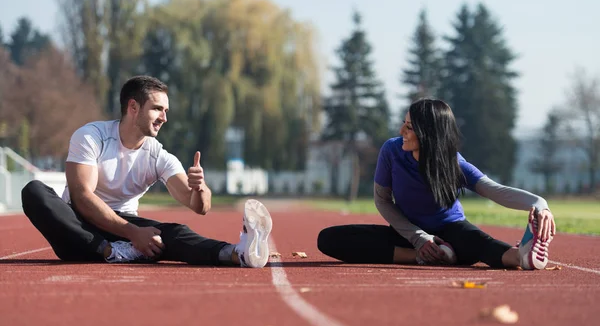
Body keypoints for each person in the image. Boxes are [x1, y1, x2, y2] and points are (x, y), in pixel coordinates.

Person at [21, 75, 272, 268]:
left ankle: (238, 253)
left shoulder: (157, 155)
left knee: (174, 233)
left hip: (127, 231)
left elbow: (199, 206)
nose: (164, 117)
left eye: (166, 111)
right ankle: (110, 251)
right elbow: (82, 198)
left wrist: (200, 187)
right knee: (34, 192)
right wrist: (133, 234)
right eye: (157, 109)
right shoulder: (91, 137)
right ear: (133, 107)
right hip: (79, 231)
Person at [317, 98, 555, 270]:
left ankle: (523, 254)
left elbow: (494, 190)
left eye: (409, 127)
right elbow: (382, 199)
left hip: (452, 231)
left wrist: (539, 204)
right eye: (404, 123)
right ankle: (432, 256)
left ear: (428, 134)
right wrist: (419, 238)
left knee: (481, 244)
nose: (401, 131)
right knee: (329, 239)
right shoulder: (392, 150)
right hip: (408, 234)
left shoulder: (453, 163)